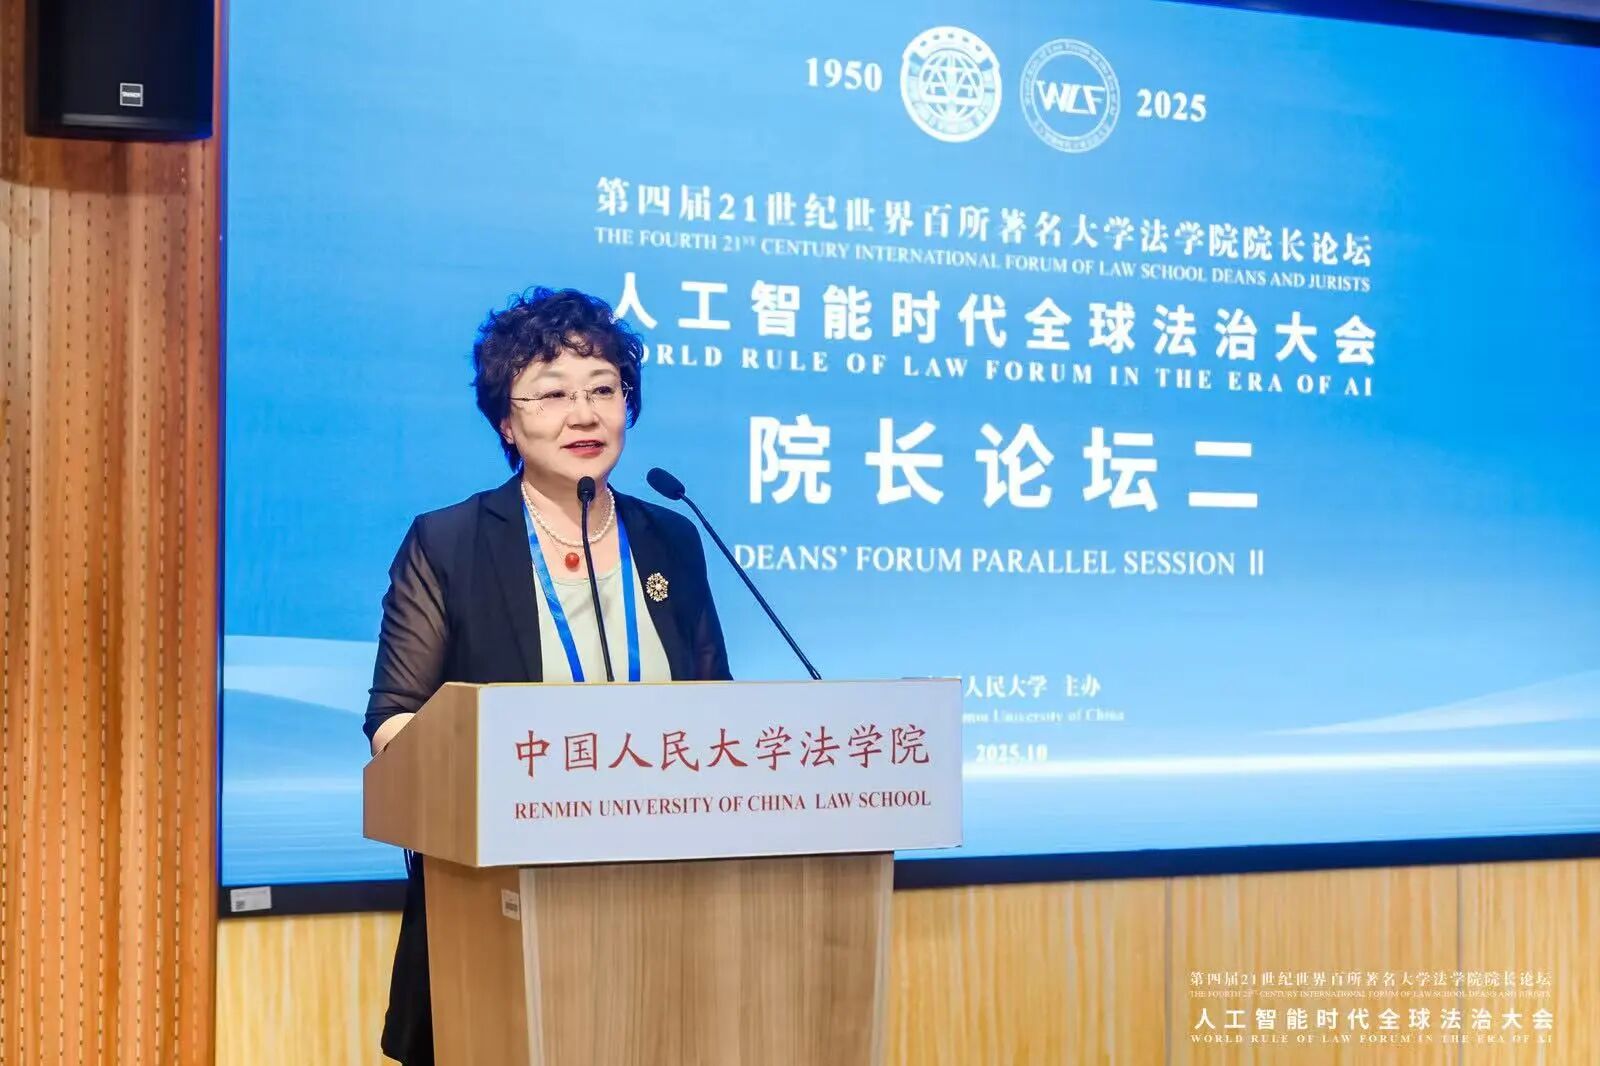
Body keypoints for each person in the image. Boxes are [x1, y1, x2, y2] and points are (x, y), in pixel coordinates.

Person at [362, 286, 732, 1065]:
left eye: (604, 390)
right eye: (553, 394)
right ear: (507, 420)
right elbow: (395, 722)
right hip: (496, 908)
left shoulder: (670, 538)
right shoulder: (450, 543)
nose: (584, 414)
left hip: (666, 903)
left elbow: (715, 712)